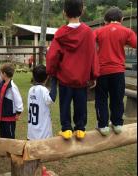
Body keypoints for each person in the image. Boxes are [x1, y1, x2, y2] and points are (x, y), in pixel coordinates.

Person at [46, 0, 99, 140]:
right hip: (82, 79)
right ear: (82, 10)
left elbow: (52, 56)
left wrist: (51, 72)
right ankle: (80, 129)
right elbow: (93, 55)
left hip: (65, 78)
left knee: (65, 104)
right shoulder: (89, 33)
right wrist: (94, 75)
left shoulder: (60, 33)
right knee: (81, 104)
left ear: (64, 13)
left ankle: (67, 129)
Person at [94, 7, 137, 136]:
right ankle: (117, 124)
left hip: (102, 71)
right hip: (118, 71)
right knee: (117, 98)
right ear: (122, 19)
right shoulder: (127, 31)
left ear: (106, 20)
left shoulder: (98, 31)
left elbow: (89, 44)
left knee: (101, 98)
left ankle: (103, 126)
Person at [27, 65, 57, 140]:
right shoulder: (43, 90)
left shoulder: (31, 90)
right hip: (42, 135)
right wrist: (54, 81)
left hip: (31, 134)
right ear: (47, 78)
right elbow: (51, 99)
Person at [0, 63, 23, 139]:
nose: (0, 74)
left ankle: (11, 149)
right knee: (3, 136)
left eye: (1, 73)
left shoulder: (12, 87)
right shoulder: (2, 83)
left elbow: (18, 100)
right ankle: (4, 149)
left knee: (9, 136)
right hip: (2, 116)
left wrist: (18, 112)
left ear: (4, 74)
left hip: (9, 117)